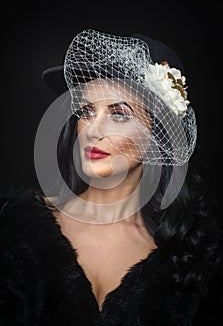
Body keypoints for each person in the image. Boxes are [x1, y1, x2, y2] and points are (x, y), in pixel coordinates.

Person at [0, 29, 223, 326]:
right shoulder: (13, 227)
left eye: (119, 113)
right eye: (87, 111)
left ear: (158, 136)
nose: (93, 130)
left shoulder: (190, 261)